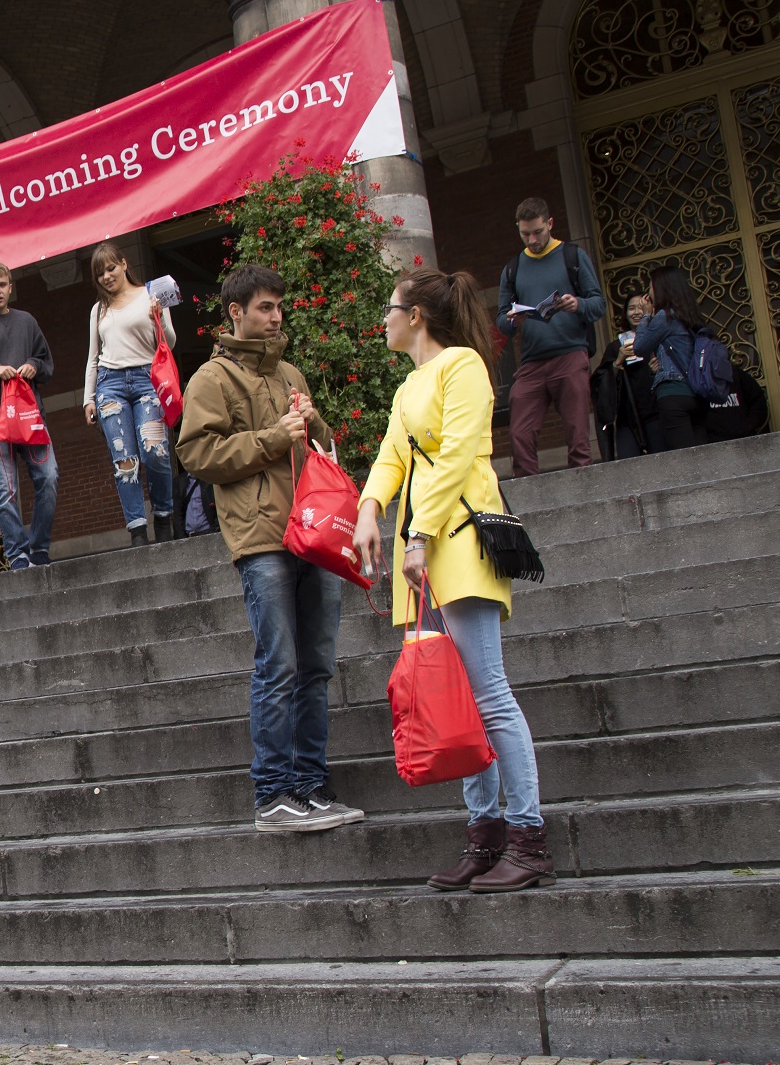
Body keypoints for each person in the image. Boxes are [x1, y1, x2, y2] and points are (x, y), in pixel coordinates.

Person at [354, 269, 554, 894]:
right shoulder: (411, 383)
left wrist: (417, 535)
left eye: (390, 309)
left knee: (488, 693)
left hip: (458, 542)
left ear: (414, 316)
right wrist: (367, 510)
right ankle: (485, 835)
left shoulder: (462, 365)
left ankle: (527, 838)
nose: (382, 319)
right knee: (463, 698)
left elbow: (461, 450)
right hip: (430, 550)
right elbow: (392, 458)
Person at [177, 265, 362, 834]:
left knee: (317, 666)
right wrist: (273, 438)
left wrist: (314, 423)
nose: (275, 315)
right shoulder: (211, 378)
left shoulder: (288, 371)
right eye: (263, 307)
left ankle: (311, 785)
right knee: (278, 665)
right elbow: (196, 454)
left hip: (315, 533)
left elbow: (320, 449)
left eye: (278, 306)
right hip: (262, 538)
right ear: (235, 311)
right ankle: (274, 793)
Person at [495, 198, 606, 476]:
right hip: (532, 363)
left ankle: (584, 492)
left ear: (550, 224)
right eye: (525, 234)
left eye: (538, 232)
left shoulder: (572, 255)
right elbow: (500, 321)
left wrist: (577, 305)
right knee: (520, 436)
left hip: (570, 354)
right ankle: (529, 503)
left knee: (578, 437)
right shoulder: (513, 268)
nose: (532, 240)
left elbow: (598, 305)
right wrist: (511, 321)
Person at [83, 242, 175, 544]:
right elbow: (92, 358)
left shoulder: (151, 295)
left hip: (147, 378)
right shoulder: (99, 310)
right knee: (125, 462)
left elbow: (169, 343)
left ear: (124, 264)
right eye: (100, 274)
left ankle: (164, 516)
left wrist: (159, 317)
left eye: (111, 268)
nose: (107, 276)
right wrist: (88, 399)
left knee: (155, 452)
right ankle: (137, 530)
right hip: (109, 384)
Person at [0, 262, 58, 570]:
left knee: (48, 478)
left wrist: (33, 364)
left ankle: (38, 547)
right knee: (5, 490)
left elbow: (47, 363)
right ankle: (17, 554)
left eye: (2, 285)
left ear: (11, 287)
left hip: (30, 416)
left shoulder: (27, 321)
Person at [633, 266, 712, 451]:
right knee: (702, 455)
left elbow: (639, 347)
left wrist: (645, 316)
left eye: (651, 287)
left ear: (661, 288)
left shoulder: (664, 316)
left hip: (673, 393)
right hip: (697, 392)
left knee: (684, 458)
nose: (648, 292)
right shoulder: (689, 314)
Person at [592, 292, 664, 460]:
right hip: (627, 418)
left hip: (656, 413)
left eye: (641, 308)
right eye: (631, 308)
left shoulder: (659, 339)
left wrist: (657, 371)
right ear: (625, 313)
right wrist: (617, 362)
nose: (636, 312)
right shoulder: (616, 346)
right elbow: (599, 385)